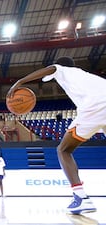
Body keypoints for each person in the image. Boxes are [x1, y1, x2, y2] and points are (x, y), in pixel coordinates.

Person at [7, 56, 104, 214]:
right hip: (101, 103)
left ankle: (81, 198)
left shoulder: (63, 70)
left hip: (95, 105)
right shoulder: (86, 76)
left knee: (63, 150)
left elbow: (52, 68)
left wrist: (20, 82)